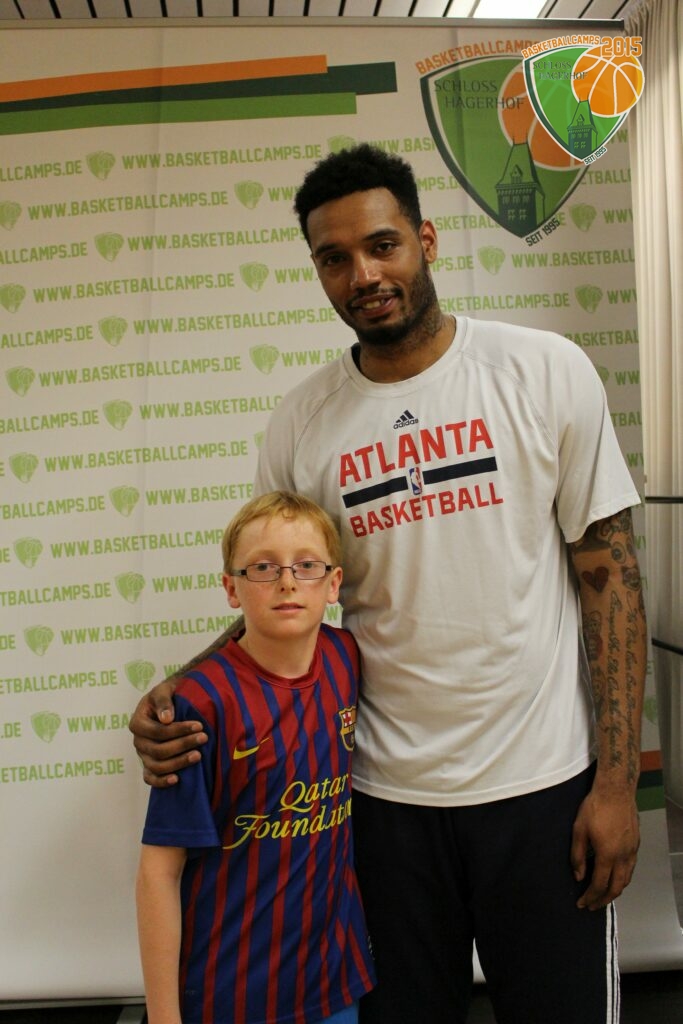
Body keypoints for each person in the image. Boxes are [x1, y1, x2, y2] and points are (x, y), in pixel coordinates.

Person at [130, 144, 647, 1024]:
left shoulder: (542, 370)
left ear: (425, 241)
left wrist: (615, 786)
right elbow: (283, 591)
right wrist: (184, 690)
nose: (362, 274)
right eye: (334, 258)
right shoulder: (302, 422)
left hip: (542, 788)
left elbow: (611, 580)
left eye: (381, 246)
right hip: (379, 805)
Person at [135, 490, 375, 1024]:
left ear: (334, 583)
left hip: (334, 985)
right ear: (231, 588)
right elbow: (158, 874)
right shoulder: (201, 706)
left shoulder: (346, 658)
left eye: (306, 565)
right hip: (230, 993)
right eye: (263, 568)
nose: (287, 581)